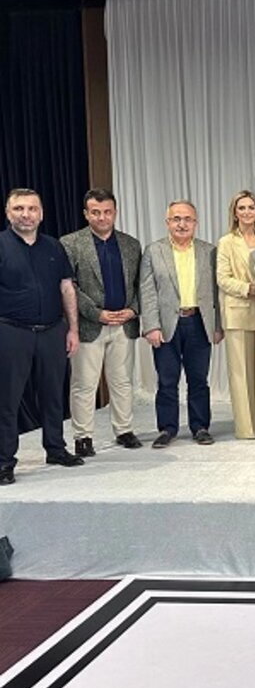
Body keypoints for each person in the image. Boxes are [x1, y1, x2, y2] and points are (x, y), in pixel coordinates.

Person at [0, 189, 82, 486]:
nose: (26, 214)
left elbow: (66, 288)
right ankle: (4, 462)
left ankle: (56, 449)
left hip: (52, 331)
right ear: (8, 213)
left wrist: (73, 329)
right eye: (19, 208)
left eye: (32, 208)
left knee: (53, 394)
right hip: (11, 332)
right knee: (7, 399)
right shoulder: (1, 245)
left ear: (41, 213)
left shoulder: (54, 247)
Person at [60, 188, 143, 456]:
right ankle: (83, 437)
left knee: (122, 382)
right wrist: (96, 313)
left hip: (124, 325)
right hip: (89, 326)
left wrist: (133, 310)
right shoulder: (70, 243)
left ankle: (124, 430)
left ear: (115, 212)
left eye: (107, 212)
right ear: (86, 214)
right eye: (95, 212)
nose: (102, 217)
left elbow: (140, 284)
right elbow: (69, 287)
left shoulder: (131, 245)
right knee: (84, 385)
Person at [139, 200, 223, 448]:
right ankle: (167, 428)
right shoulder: (154, 251)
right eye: (176, 219)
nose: (182, 224)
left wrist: (218, 326)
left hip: (199, 323)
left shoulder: (209, 251)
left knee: (199, 380)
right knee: (167, 381)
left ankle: (200, 427)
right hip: (166, 325)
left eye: (187, 219)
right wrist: (151, 326)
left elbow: (217, 292)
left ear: (196, 223)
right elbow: (147, 290)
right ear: (167, 222)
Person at [217, 190, 255, 440]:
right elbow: (223, 279)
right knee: (241, 374)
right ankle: (247, 428)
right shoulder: (226, 242)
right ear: (235, 213)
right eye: (242, 208)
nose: (247, 212)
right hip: (237, 313)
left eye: (251, 207)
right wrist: (249, 289)